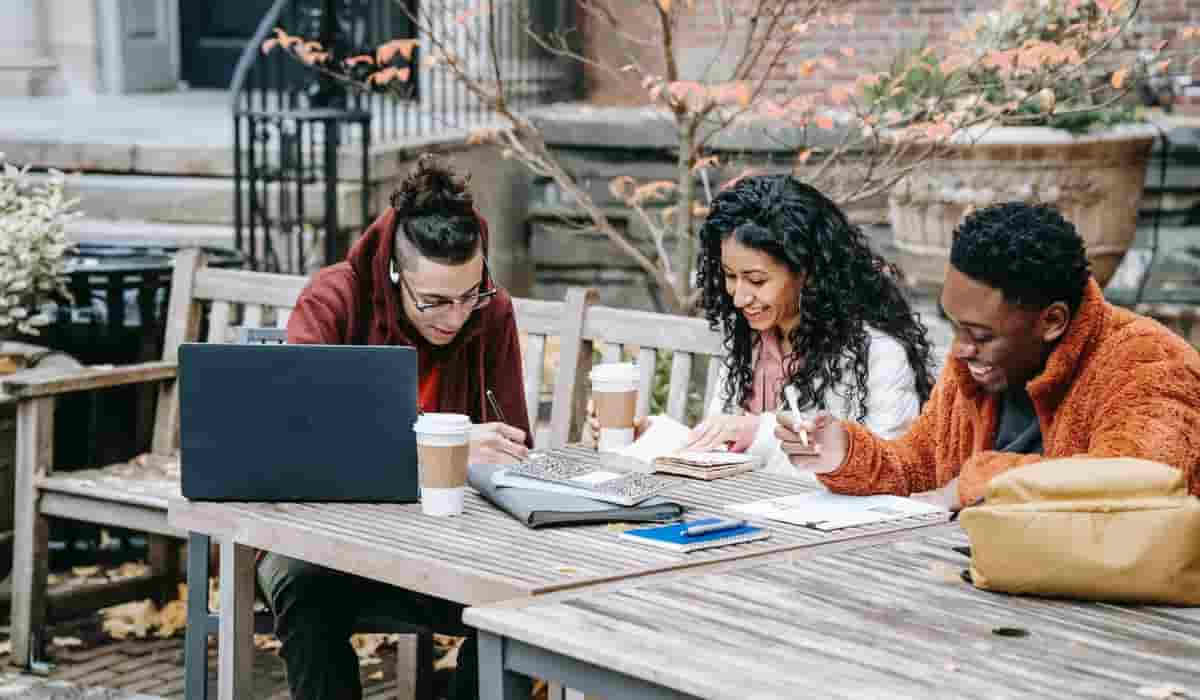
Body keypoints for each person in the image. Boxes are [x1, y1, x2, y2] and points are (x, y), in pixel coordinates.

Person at [258, 154, 532, 700]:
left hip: (451, 544)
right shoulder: (334, 299)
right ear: (393, 273)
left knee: (522, 604)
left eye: (468, 295)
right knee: (299, 581)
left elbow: (511, 445)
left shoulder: (491, 311)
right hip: (334, 545)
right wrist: (445, 443)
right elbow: (297, 437)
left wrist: (495, 458)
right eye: (433, 301)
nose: (455, 318)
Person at [777, 201, 1200, 507]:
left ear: (1052, 321)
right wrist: (843, 452)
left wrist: (973, 483)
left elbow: (1134, 485)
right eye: (954, 325)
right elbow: (918, 469)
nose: (959, 348)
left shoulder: (1150, 363)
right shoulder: (973, 365)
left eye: (979, 333)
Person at [588, 174, 937, 476]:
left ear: (807, 273)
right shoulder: (748, 342)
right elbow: (722, 451)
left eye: (756, 280)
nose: (739, 298)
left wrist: (758, 432)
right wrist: (648, 434)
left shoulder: (877, 354)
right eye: (729, 276)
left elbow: (888, 472)